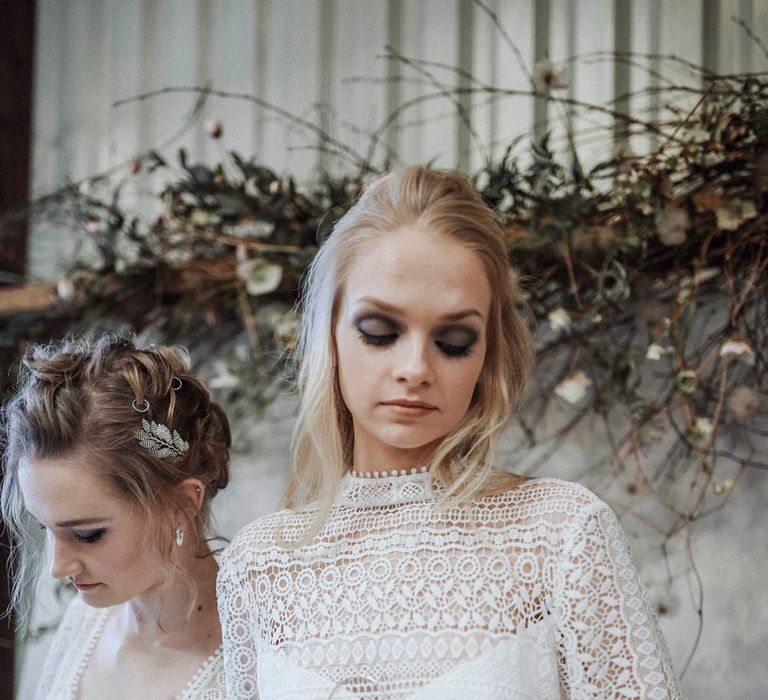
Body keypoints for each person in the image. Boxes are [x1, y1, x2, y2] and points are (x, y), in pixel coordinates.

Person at [217, 166, 683, 698]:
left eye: (455, 340)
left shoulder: (561, 535)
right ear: (330, 335)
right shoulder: (258, 566)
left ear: (487, 354)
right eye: (380, 331)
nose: (415, 367)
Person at [1, 335, 231, 699]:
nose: (57, 569)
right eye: (46, 528)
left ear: (183, 505)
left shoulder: (257, 659)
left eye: (88, 534)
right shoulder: (84, 623)